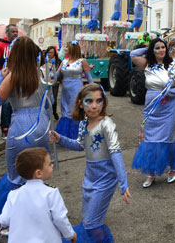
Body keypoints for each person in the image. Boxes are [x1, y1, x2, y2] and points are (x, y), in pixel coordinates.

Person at [50, 84, 131, 242]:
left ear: (104, 102)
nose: (95, 106)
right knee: (90, 222)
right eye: (89, 101)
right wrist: (60, 139)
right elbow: (80, 145)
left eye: (99, 101)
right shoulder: (83, 123)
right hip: (90, 179)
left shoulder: (107, 124)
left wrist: (123, 181)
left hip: (105, 179)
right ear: (80, 103)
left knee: (91, 223)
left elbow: (115, 152)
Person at [0, 36, 52, 220]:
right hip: (42, 124)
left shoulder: (13, 76)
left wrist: (1, 76)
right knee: (36, 173)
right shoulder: (40, 73)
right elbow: (50, 102)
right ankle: (38, 215)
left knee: (16, 176)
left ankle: (17, 220)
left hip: (22, 126)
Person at [130, 39, 175, 187]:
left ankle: (173, 169)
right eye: (157, 48)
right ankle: (151, 173)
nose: (161, 50)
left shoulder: (174, 65)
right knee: (150, 139)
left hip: (169, 107)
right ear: (152, 51)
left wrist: (169, 92)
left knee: (166, 139)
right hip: (151, 106)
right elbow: (133, 53)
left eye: (163, 47)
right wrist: (148, 49)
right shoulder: (147, 64)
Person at [0, 147, 76, 243]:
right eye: (49, 164)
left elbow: (4, 220)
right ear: (39, 173)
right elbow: (60, 218)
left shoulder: (13, 194)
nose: (52, 165)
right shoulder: (51, 193)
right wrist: (70, 234)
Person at [55, 41, 93, 139]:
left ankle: (77, 134)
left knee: (74, 110)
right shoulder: (64, 62)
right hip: (65, 90)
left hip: (76, 89)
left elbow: (89, 78)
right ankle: (65, 134)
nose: (65, 49)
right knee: (65, 110)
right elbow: (56, 75)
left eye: (67, 48)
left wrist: (93, 90)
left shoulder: (82, 61)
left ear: (72, 49)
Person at [0, 24, 19, 138]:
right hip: (4, 74)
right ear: (7, 33)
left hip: (16, 74)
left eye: (16, 32)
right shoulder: (0, 45)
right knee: (6, 102)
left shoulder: (18, 45)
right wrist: (6, 59)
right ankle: (5, 127)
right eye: (13, 31)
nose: (15, 34)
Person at [44, 46, 61, 121]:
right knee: (46, 98)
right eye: (49, 52)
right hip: (46, 81)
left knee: (54, 97)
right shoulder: (45, 60)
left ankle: (54, 112)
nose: (50, 54)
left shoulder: (58, 61)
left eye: (52, 52)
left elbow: (61, 71)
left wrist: (59, 79)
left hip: (55, 81)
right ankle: (47, 112)